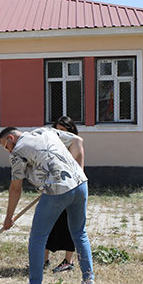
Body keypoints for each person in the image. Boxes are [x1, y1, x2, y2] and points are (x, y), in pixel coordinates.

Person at [0, 125, 96, 284]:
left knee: (38, 237)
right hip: (80, 183)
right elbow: (77, 140)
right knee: (79, 233)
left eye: (5, 146)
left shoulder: (17, 152)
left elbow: (16, 188)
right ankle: (88, 281)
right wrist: (71, 171)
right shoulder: (45, 131)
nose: (8, 151)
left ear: (11, 138)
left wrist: (9, 217)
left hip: (56, 190)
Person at [45, 116, 78, 273]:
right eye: (57, 130)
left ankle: (68, 261)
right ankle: (44, 260)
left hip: (70, 190)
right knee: (46, 223)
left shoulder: (75, 144)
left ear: (70, 131)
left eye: (63, 130)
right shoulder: (51, 147)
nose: (59, 134)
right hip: (53, 189)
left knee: (68, 225)